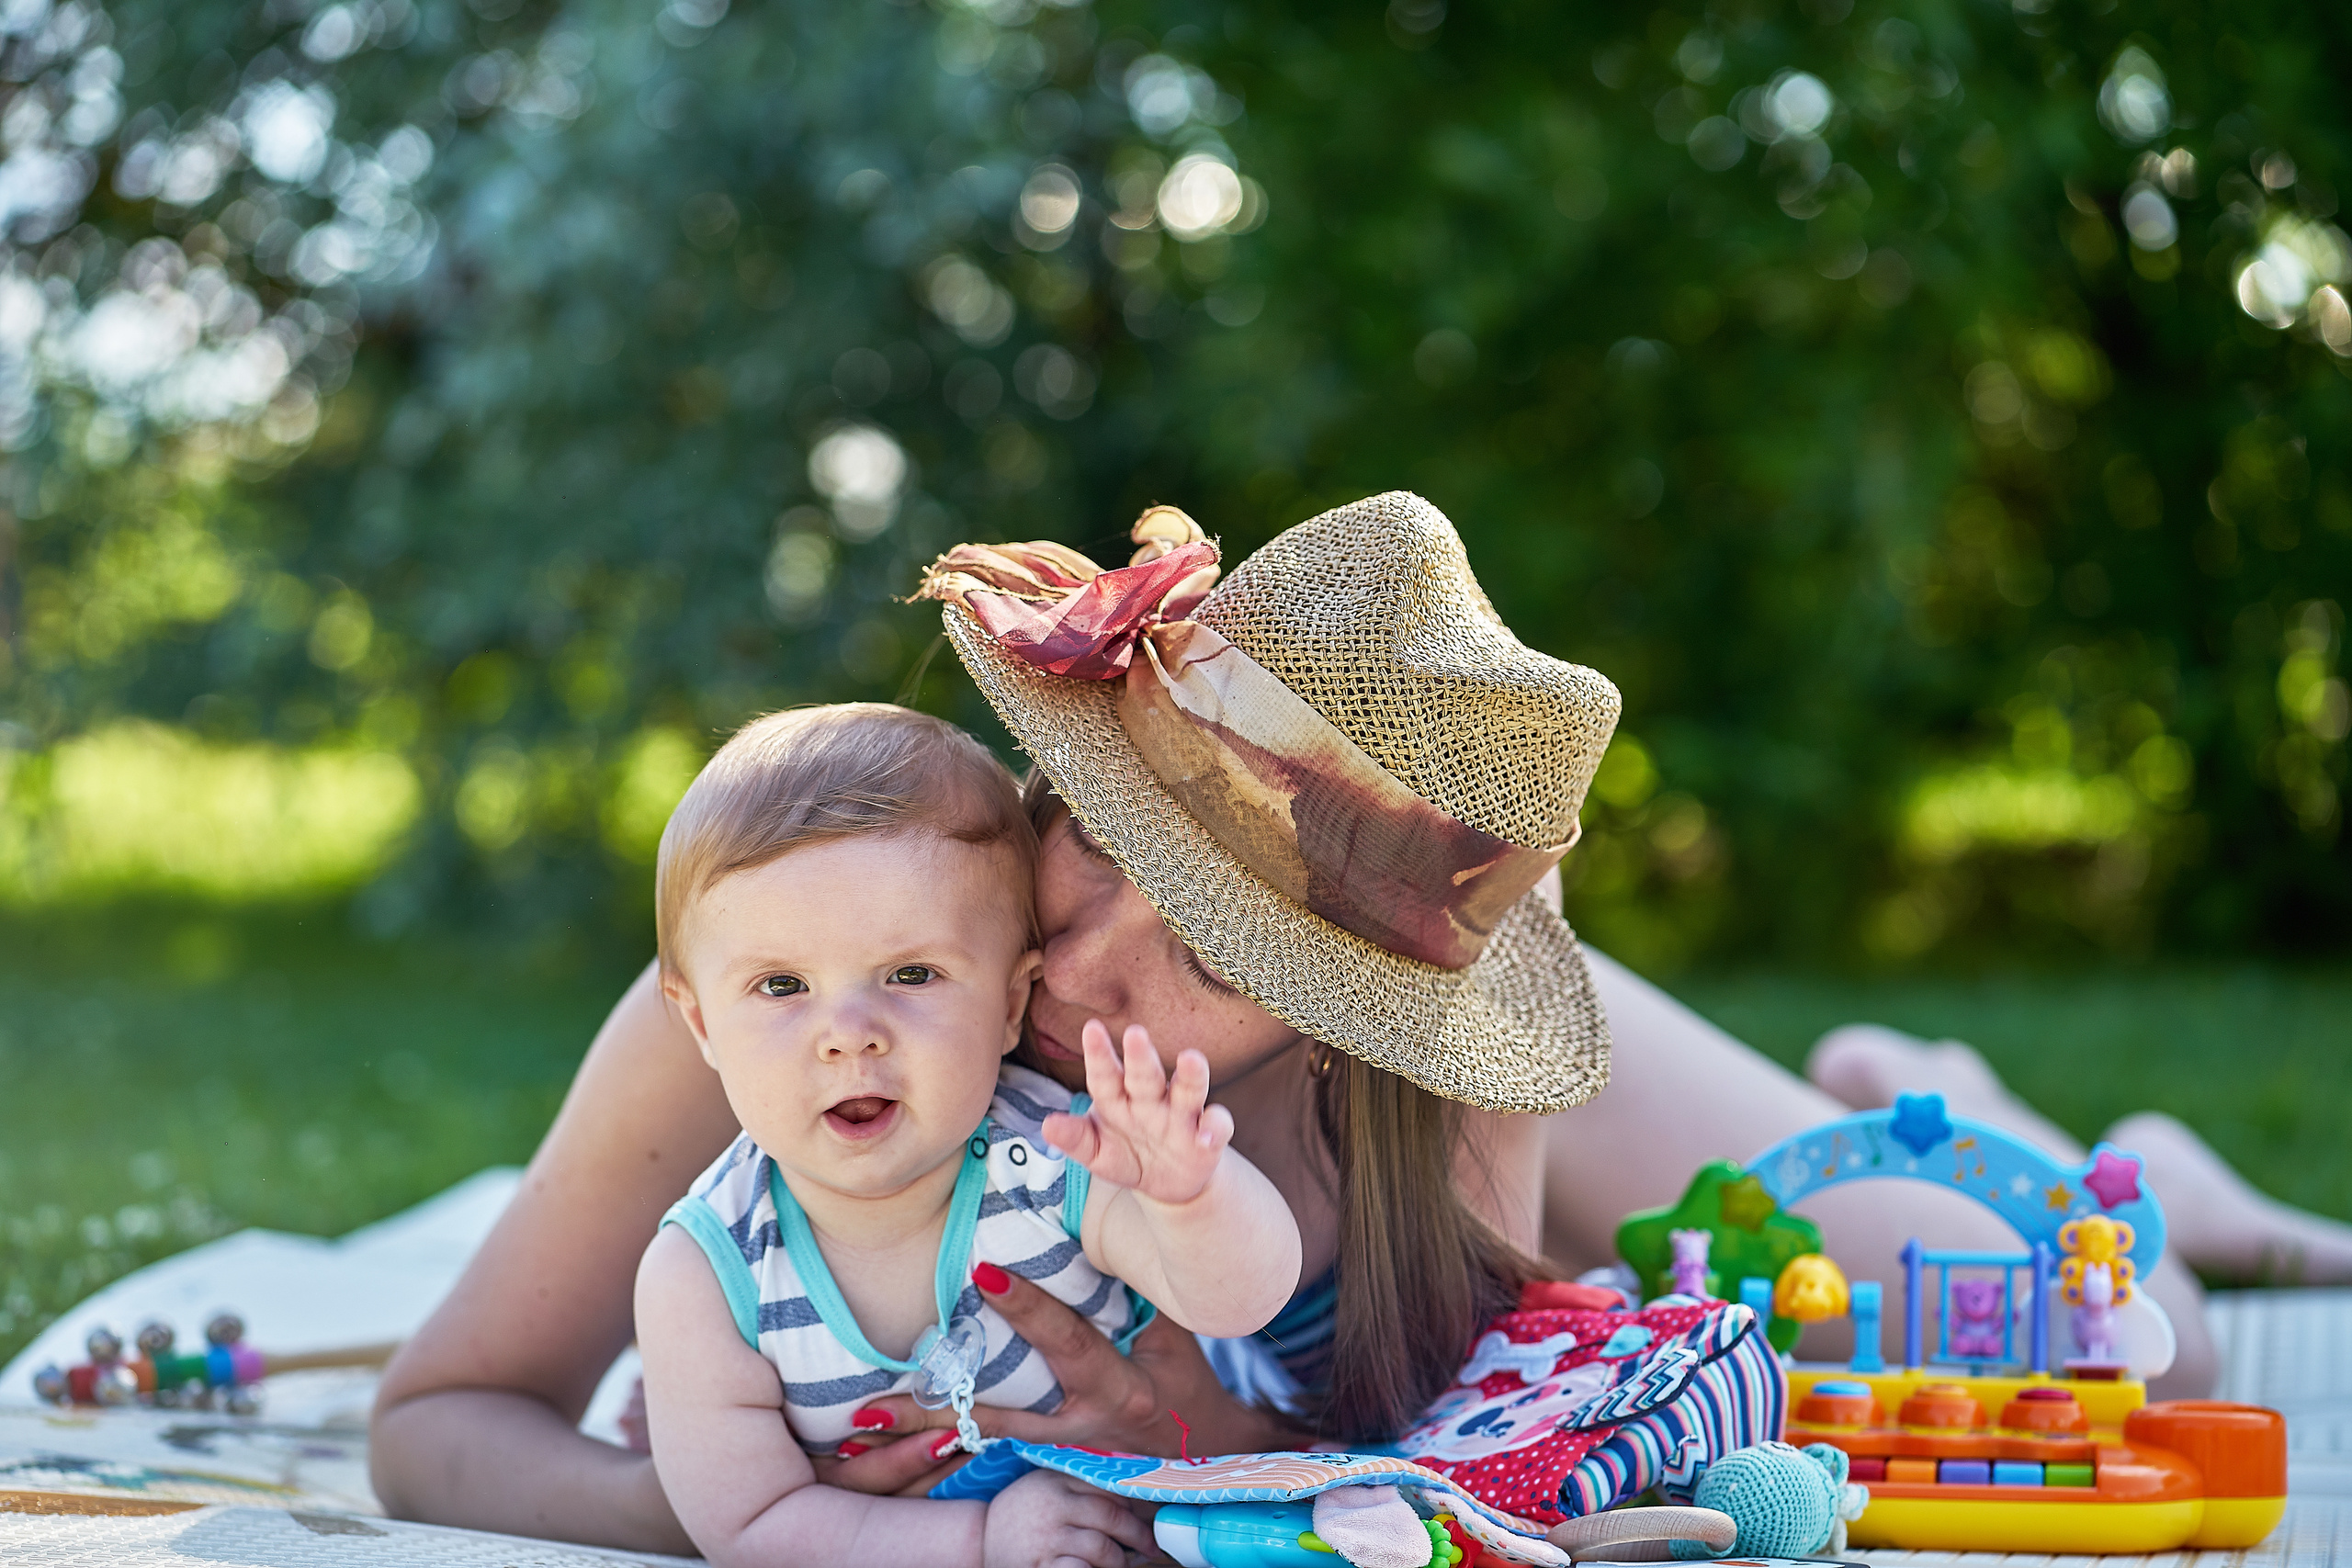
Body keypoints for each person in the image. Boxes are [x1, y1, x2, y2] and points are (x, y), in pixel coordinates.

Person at [372, 494, 2352, 1555]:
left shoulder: (1423, 1063)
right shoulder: (797, 1000)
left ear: (1320, 1015)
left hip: (1510, 1078)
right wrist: (741, 1502)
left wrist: (1195, 1439)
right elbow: (433, 1423)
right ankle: (1906, 1078)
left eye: (1215, 958)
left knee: (2046, 1292)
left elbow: (1447, 1443)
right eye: (1090, 857)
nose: (1081, 974)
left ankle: (1975, 1106)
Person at [634, 705, 1301, 1567]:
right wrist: (979, 1540)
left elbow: (1237, 1300)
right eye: (781, 984)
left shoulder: (1053, 1155)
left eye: (911, 973)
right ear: (701, 1026)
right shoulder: (707, 1271)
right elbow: (753, 1526)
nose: (849, 1032)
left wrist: (1191, 1195)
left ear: (1011, 1002)